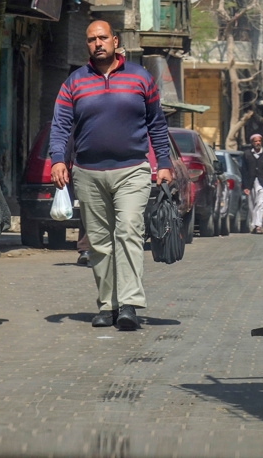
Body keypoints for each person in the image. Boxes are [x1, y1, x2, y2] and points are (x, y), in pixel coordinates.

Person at [49, 20, 173, 331]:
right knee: (100, 242)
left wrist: (165, 163)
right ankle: (108, 305)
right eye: (92, 39)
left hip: (132, 170)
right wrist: (57, 160)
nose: (98, 43)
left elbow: (157, 125)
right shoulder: (74, 82)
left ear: (116, 41)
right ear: (87, 45)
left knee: (129, 231)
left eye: (103, 38)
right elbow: (61, 125)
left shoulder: (140, 78)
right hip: (88, 173)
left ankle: (129, 303)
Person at [242, 132, 263, 235]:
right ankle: (253, 225)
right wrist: (245, 186)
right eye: (255, 141)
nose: (257, 143)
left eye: (259, 141)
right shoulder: (247, 154)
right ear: (252, 143)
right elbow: (244, 171)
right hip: (250, 184)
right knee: (252, 205)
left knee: (260, 204)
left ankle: (258, 225)